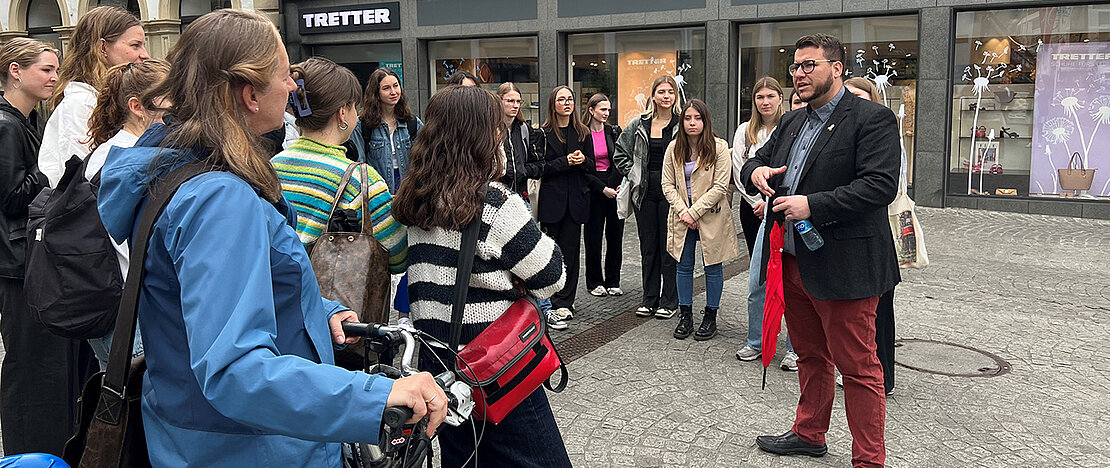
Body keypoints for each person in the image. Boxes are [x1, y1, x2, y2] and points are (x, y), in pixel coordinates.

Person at [95, 11, 445, 465]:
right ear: (250, 93)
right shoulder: (219, 198)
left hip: (197, 435)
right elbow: (234, 370)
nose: (293, 86)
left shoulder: (174, 168)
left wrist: (317, 312)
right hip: (251, 446)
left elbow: (202, 302)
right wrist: (376, 397)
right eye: (284, 75)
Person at [742, 34, 900, 468]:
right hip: (794, 261)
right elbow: (755, 160)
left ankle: (869, 459)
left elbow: (879, 186)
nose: (799, 74)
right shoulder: (793, 121)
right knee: (810, 355)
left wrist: (813, 204)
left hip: (846, 267)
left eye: (809, 65)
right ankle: (809, 433)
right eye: (795, 66)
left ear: (837, 68)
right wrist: (756, 173)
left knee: (859, 367)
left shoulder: (872, 118)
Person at [394, 85, 571, 468]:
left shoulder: (417, 201)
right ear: (481, 136)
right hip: (497, 369)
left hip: (440, 372)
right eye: (496, 128)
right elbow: (553, 277)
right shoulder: (493, 203)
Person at [0, 37, 79, 458]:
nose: (53, 77)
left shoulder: (26, 121)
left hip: (27, 259)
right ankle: (27, 455)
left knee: (45, 366)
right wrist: (55, 164)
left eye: (56, 69)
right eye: (46, 69)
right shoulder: (7, 125)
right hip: (17, 264)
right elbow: (11, 197)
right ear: (15, 71)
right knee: (30, 365)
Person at [271, 56, 407, 276]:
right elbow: (398, 256)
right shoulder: (360, 180)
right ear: (342, 113)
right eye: (354, 106)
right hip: (335, 295)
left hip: (278, 290)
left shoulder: (270, 168)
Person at [83, 58, 171, 369]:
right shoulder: (126, 158)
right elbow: (122, 242)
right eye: (170, 102)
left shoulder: (117, 151)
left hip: (124, 303)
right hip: (128, 307)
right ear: (137, 107)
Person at [38, 6, 148, 187]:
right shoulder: (80, 103)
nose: (145, 55)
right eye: (135, 45)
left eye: (143, 45)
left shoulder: (100, 97)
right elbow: (83, 178)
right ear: (102, 47)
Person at [732, 77, 797, 371]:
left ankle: (796, 348)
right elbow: (746, 165)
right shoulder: (750, 130)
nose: (766, 101)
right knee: (758, 279)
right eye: (760, 96)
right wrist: (758, 191)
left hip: (796, 215)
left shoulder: (797, 127)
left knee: (794, 286)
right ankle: (756, 340)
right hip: (764, 209)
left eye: (771, 96)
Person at [661, 99, 737, 341]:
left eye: (697, 118)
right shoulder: (674, 148)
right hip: (682, 215)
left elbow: (721, 186)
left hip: (710, 215)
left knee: (712, 266)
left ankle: (710, 316)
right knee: (683, 266)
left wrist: (694, 212)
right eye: (687, 118)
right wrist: (684, 212)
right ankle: (685, 315)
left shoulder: (719, 147)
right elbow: (667, 184)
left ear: (706, 121)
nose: (692, 123)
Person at [612, 75, 682, 319]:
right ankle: (649, 299)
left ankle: (669, 300)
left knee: (669, 247)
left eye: (670, 92)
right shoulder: (639, 123)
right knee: (648, 246)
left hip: (672, 192)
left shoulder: (682, 122)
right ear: (653, 95)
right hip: (644, 191)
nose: (666, 96)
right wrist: (634, 173)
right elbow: (619, 153)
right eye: (661, 91)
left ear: (676, 96)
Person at [844, 76, 896, 395]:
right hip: (847, 237)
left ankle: (883, 376)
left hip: (876, 234)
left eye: (860, 97)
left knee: (880, 311)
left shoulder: (880, 128)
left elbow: (888, 185)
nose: (853, 102)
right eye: (848, 96)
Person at [535, 85, 593, 326]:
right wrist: (565, 162)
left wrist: (583, 160)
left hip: (575, 202)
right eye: (562, 99)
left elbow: (593, 165)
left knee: (571, 254)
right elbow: (540, 167)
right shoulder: (543, 133)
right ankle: (549, 299)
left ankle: (566, 302)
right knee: (550, 255)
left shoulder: (582, 132)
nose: (567, 103)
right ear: (553, 104)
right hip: (552, 202)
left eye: (570, 99)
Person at [348, 67, 422, 194]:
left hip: (408, 192)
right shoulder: (362, 125)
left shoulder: (412, 123)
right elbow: (359, 167)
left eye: (396, 86)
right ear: (376, 93)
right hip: (377, 192)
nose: (393, 92)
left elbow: (424, 160)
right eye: (386, 88)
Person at [581, 93, 624, 298]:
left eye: (608, 109)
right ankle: (594, 281)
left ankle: (613, 280)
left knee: (616, 236)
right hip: (593, 189)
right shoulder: (582, 134)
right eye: (602, 109)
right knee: (593, 238)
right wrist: (602, 188)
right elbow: (582, 168)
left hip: (614, 186)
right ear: (591, 110)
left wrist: (617, 185)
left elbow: (621, 160)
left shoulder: (613, 132)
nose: (607, 113)